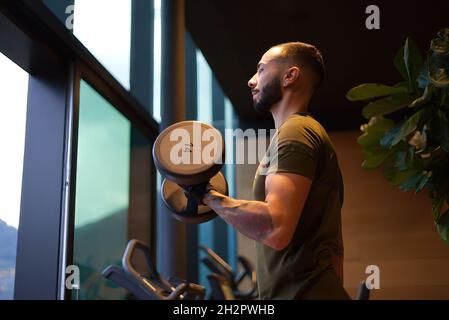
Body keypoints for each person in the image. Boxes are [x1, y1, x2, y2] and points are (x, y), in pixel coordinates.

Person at [190, 42, 350, 300]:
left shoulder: (296, 132)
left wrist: (207, 196)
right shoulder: (300, 132)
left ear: (290, 76)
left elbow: (275, 227)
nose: (252, 81)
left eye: (261, 70)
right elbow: (333, 252)